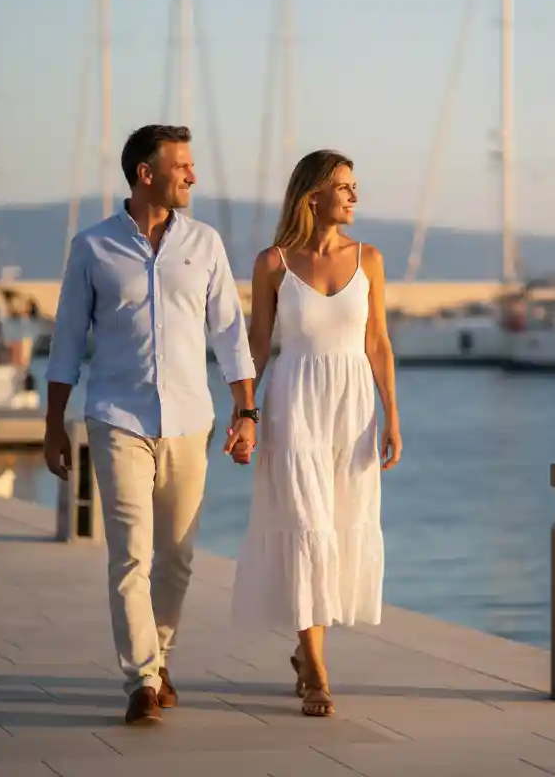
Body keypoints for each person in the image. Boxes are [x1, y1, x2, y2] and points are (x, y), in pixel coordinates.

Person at [43, 124, 258, 726]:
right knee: (130, 555)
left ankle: (159, 657)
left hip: (191, 420)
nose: (192, 176)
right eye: (182, 165)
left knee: (178, 557)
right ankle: (141, 678)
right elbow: (66, 341)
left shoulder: (206, 243)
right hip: (116, 417)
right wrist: (54, 423)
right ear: (147, 172)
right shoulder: (92, 248)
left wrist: (246, 410)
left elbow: (229, 335)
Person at [229, 149, 401, 718]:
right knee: (306, 525)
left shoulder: (369, 259)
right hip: (292, 403)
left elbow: (378, 342)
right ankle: (317, 668)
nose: (354, 196)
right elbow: (256, 344)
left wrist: (393, 415)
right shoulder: (273, 263)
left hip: (352, 410)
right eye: (344, 187)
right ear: (313, 196)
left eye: (355, 186)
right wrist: (244, 413)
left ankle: (308, 655)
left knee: (337, 528)